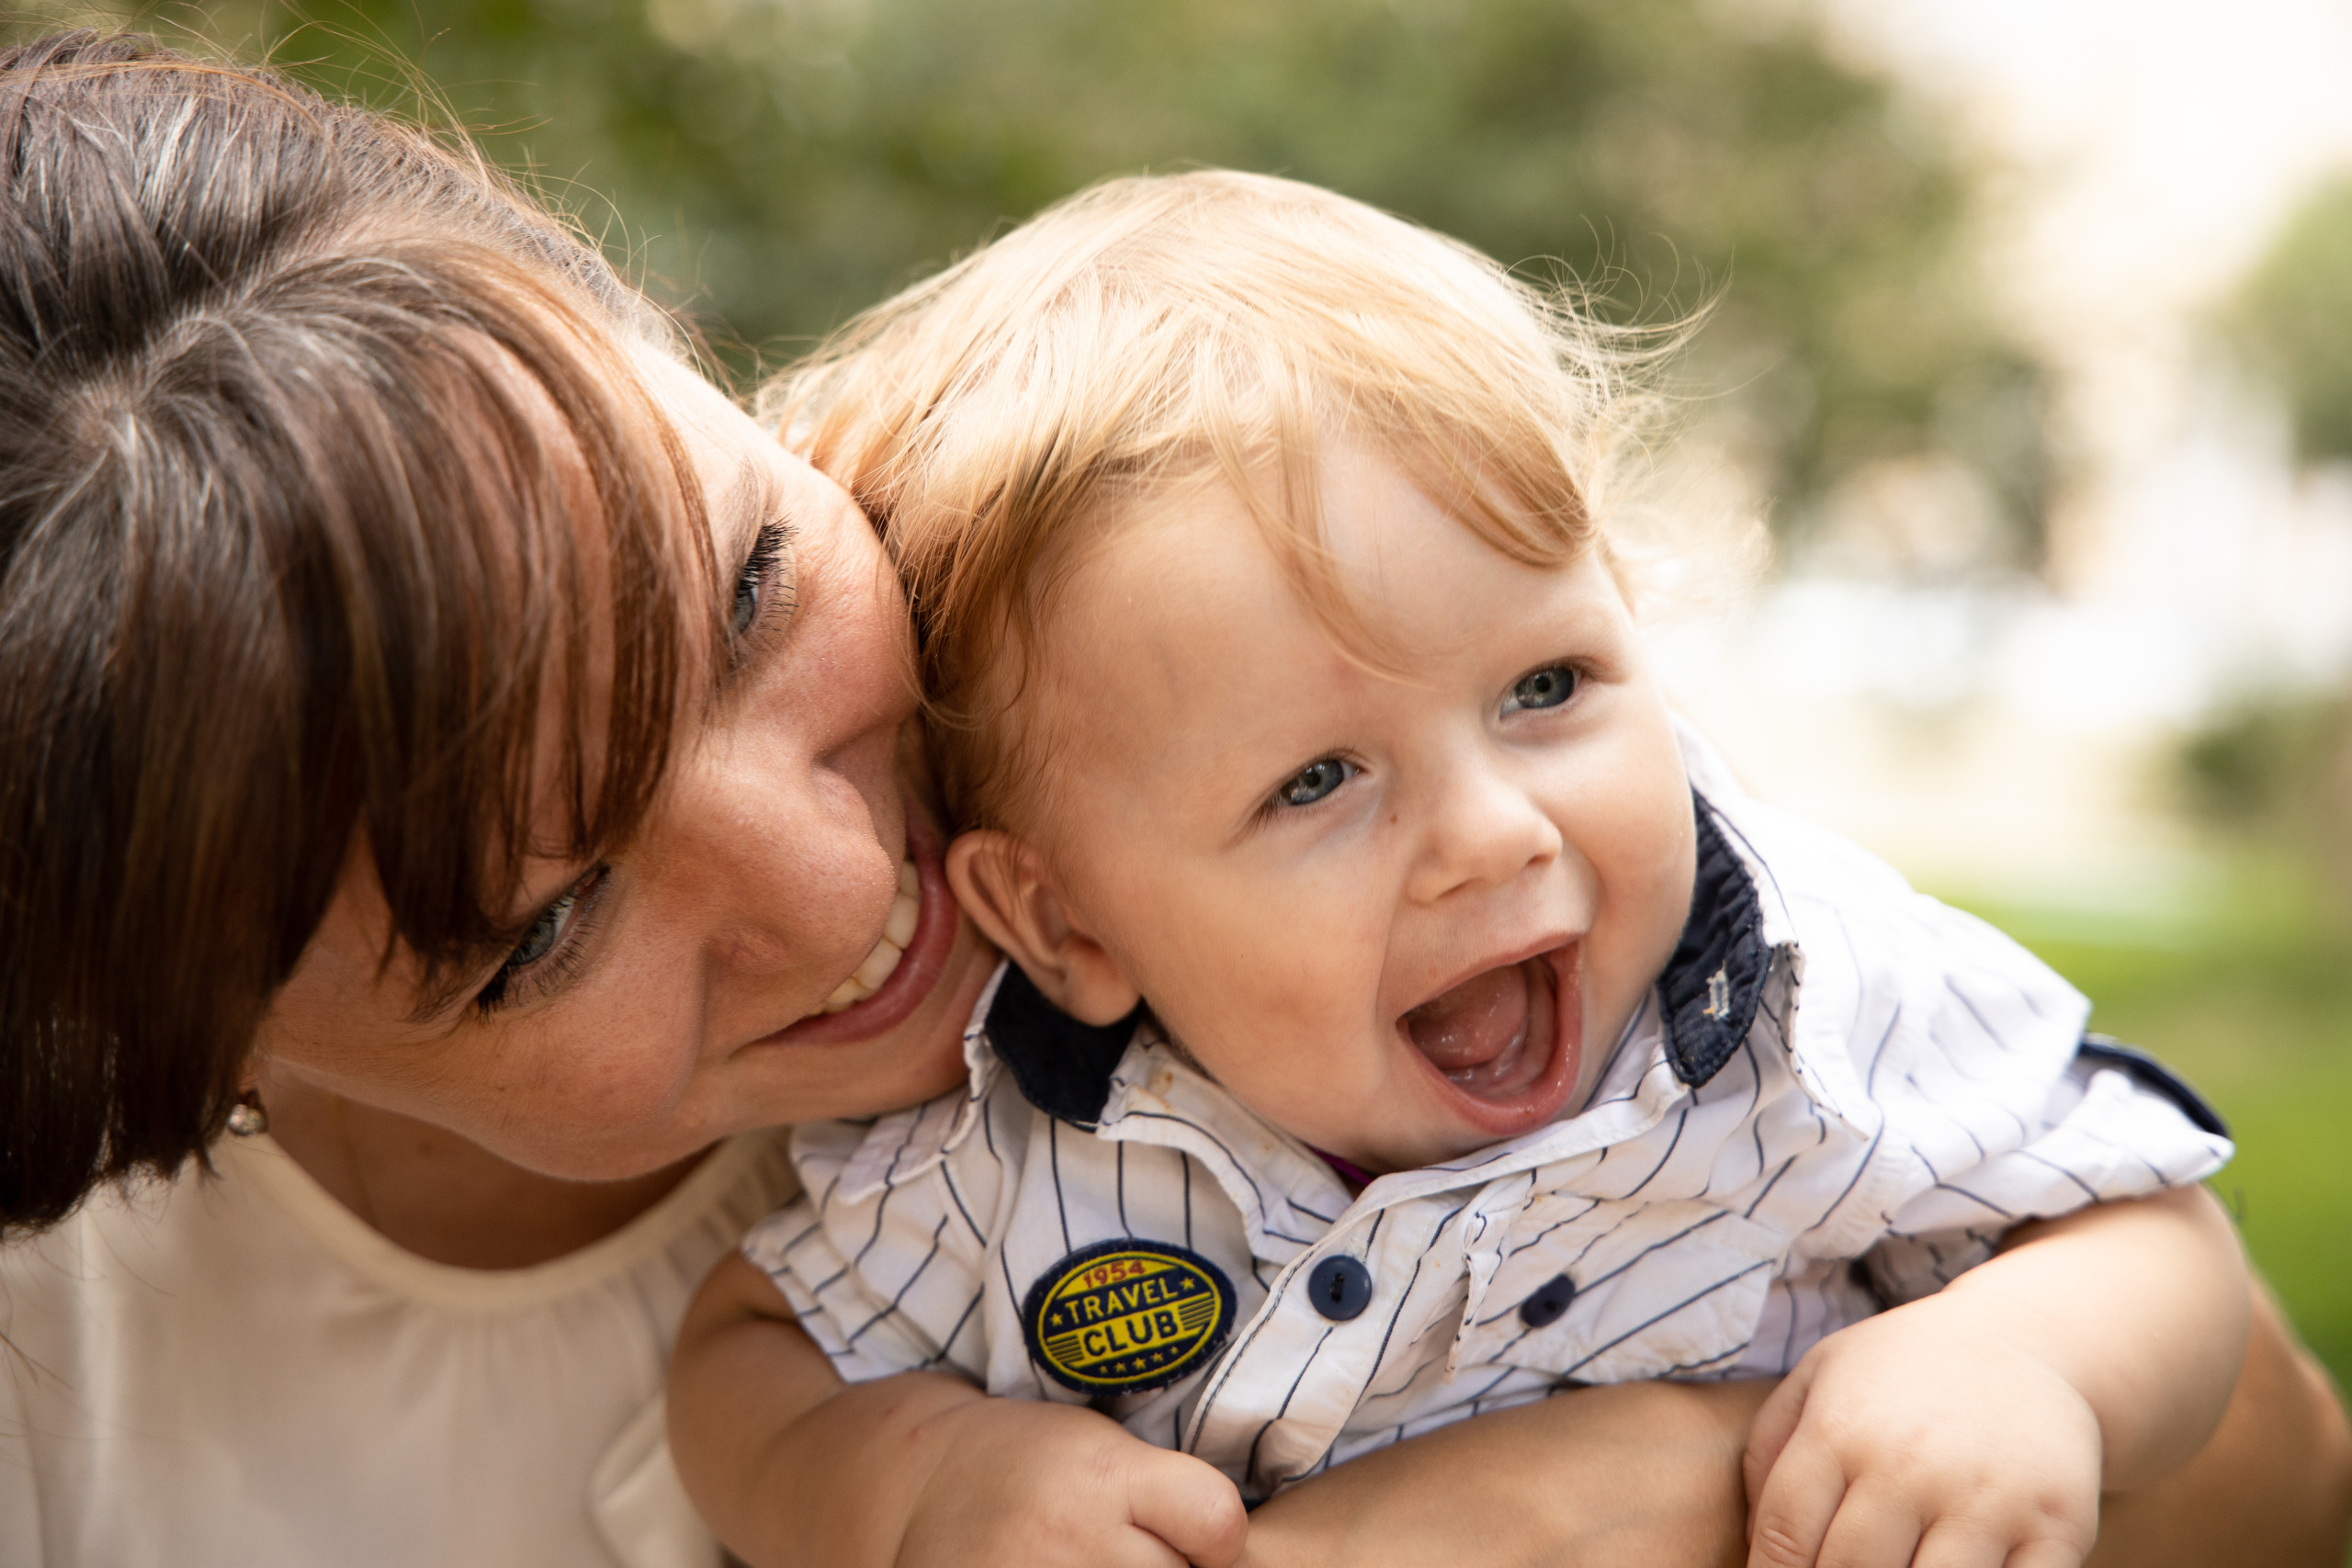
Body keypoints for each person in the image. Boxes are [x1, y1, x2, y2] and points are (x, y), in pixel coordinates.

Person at [1, 31, 2346, 1568]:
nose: (858, 894)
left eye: (732, 587)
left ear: (685, 357)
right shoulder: (78, 1397)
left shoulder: (1621, 908)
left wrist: (1726, 1453)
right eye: (536, 925)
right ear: (185, 1041)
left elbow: (2248, 1442)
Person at [673, 172, 2348, 1568]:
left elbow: (2158, 1236)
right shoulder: (1021, 1148)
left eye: (1545, 689)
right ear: (1063, 921)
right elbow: (751, 1360)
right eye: (1318, 782)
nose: (1495, 831)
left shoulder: (1802, 1010)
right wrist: (908, 1486)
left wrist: (2018, 1357)